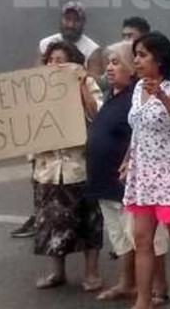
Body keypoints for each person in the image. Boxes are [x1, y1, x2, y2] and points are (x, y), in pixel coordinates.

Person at [85, 41, 170, 304]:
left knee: (146, 239)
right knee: (121, 238)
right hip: (105, 184)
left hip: (131, 184)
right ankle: (127, 283)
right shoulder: (112, 95)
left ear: (131, 69)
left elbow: (145, 135)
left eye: (116, 63)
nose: (109, 68)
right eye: (108, 63)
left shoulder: (138, 95)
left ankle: (159, 288)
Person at [15, 0, 102, 239]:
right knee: (41, 176)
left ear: (82, 22)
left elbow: (93, 78)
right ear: (61, 19)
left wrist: (75, 84)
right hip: (49, 124)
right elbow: (35, 78)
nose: (70, 23)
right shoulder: (46, 44)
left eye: (75, 20)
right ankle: (38, 217)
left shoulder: (91, 48)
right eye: (67, 19)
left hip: (74, 126)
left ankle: (78, 231)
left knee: (76, 184)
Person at [123, 33, 170, 309]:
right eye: (136, 55)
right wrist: (128, 158)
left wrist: (162, 96)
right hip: (143, 174)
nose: (137, 60)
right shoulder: (137, 87)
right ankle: (143, 301)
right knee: (142, 239)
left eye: (142, 54)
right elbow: (138, 129)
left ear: (159, 57)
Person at [32, 41, 105, 291]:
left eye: (61, 60)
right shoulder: (37, 91)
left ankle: (92, 273)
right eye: (50, 60)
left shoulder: (88, 84)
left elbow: (97, 116)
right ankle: (57, 273)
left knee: (89, 221)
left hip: (80, 166)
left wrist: (82, 84)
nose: (55, 65)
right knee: (52, 222)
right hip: (49, 169)